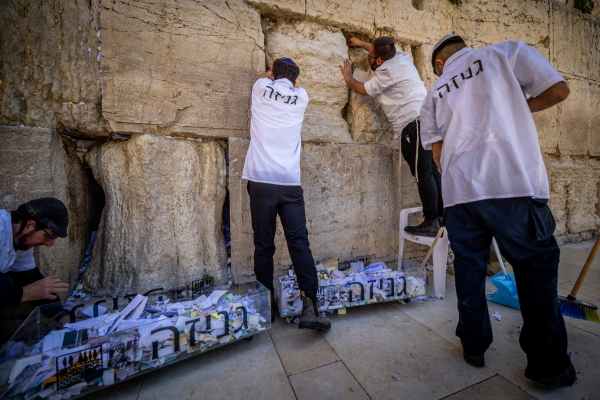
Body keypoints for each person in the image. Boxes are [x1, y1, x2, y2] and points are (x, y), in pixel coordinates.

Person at [420, 34, 574, 388]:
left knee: (470, 269)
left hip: (460, 194)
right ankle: (548, 365)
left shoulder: (434, 93)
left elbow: (439, 157)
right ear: (463, 50)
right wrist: (519, 107)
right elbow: (559, 90)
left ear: (439, 65)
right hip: (511, 183)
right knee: (535, 270)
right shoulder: (505, 53)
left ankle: (474, 346)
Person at [242, 58, 331, 331]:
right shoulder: (301, 97)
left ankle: (265, 306)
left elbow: (263, 77)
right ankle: (311, 307)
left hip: (261, 181)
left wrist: (269, 74)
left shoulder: (259, 88)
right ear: (294, 82)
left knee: (264, 246)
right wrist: (287, 80)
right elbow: (293, 85)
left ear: (271, 74)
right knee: (299, 243)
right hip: (290, 184)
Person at [339, 36, 443, 237]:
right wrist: (360, 43)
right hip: (430, 121)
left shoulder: (386, 74)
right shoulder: (402, 58)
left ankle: (431, 221)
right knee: (432, 171)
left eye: (371, 56)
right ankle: (442, 216)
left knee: (424, 174)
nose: (369, 57)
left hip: (415, 125)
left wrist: (349, 77)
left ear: (378, 61)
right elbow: (376, 49)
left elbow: (362, 90)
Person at [1, 198, 70, 309]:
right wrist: (25, 293)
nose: (49, 244)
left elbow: (29, 277)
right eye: (48, 236)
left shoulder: (22, 240)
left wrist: (61, 316)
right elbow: (31, 290)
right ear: (30, 225)